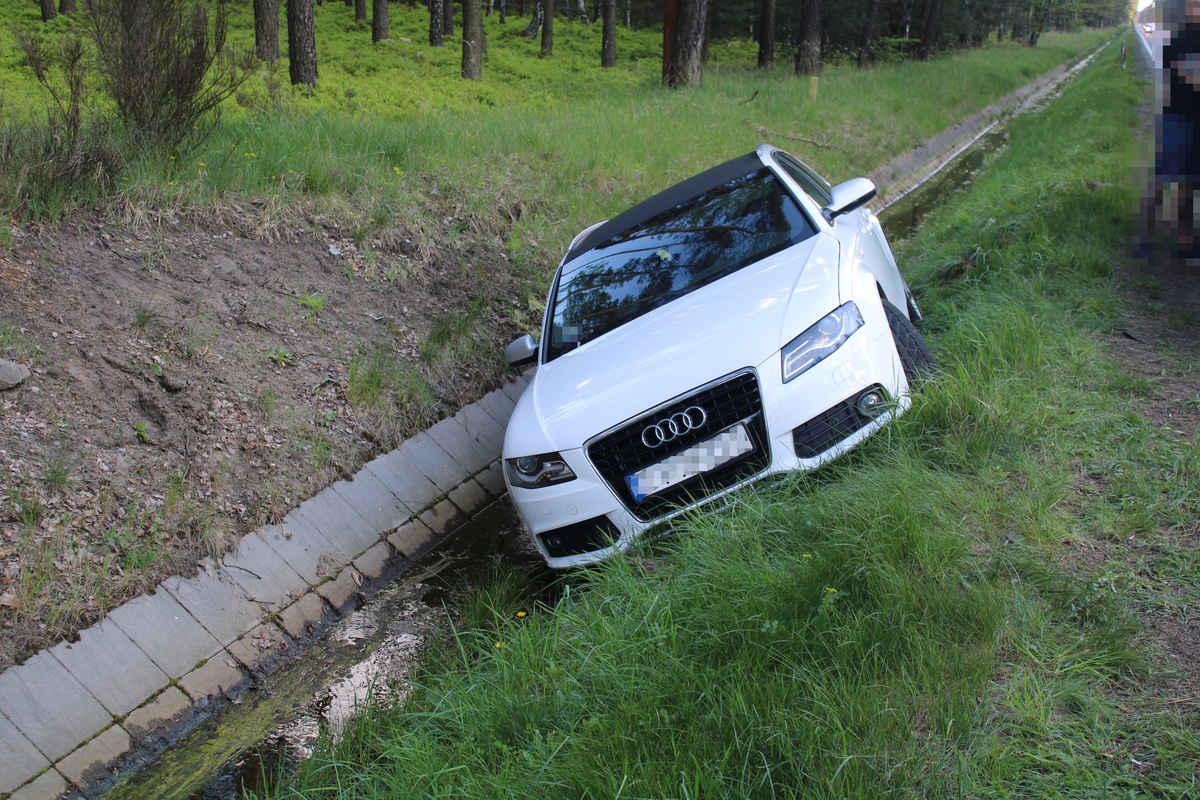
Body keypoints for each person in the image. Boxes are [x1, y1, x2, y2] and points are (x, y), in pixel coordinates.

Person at [1159, 0, 1200, 264]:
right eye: (1196, 6)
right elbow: (1191, 78)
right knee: (1183, 179)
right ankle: (1183, 238)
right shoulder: (1177, 41)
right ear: (1188, 9)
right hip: (1180, 117)